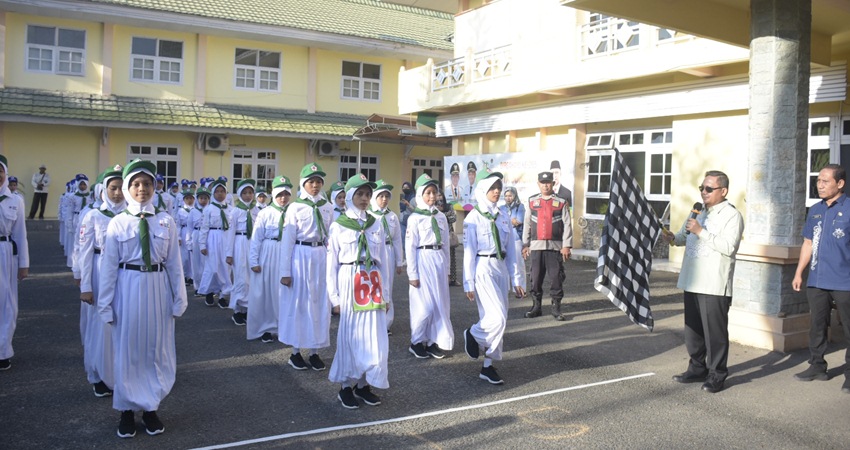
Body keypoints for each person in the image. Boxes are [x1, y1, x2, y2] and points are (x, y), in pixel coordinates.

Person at [97, 159, 187, 437]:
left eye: (147, 183)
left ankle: (150, 408)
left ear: (155, 187)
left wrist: (179, 297)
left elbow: (174, 263)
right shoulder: (118, 223)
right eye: (135, 184)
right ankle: (126, 410)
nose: (142, 189)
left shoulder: (165, 221)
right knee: (128, 350)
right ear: (126, 187)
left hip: (157, 287)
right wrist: (105, 304)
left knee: (154, 349)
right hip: (128, 287)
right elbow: (109, 268)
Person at [662, 170, 743, 394]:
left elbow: (729, 247)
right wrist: (672, 238)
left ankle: (717, 374)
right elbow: (683, 236)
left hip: (713, 284)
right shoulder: (697, 210)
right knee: (693, 331)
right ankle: (697, 368)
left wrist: (701, 231)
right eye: (702, 188)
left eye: (709, 188)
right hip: (692, 280)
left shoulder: (732, 215)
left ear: (723, 191)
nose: (703, 192)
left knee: (715, 334)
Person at [327, 174, 389, 409]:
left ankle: (363, 385)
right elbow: (330, 265)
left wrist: (386, 295)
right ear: (350, 196)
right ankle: (345, 386)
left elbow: (383, 261)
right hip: (349, 279)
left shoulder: (376, 223)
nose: (364, 198)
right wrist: (334, 298)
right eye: (360, 194)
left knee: (373, 335)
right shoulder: (339, 225)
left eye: (367, 194)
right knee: (350, 335)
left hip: (372, 281)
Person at [461, 168, 525, 385]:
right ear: (483, 189)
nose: (497, 191)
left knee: (500, 320)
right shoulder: (474, 217)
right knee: (496, 317)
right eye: (492, 188)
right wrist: (468, 283)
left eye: (499, 187)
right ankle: (473, 333)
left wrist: (517, 279)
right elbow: (469, 252)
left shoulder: (503, 215)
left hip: (501, 268)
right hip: (483, 267)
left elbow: (512, 251)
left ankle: (488, 366)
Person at [791, 164, 850, 394]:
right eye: (818, 181)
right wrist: (799, 272)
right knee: (817, 325)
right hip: (817, 279)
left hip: (844, 281)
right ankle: (817, 366)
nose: (820, 185)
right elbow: (808, 243)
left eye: (826, 181)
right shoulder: (815, 210)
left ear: (840, 183)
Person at [279, 163, 333, 371]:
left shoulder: (327, 207)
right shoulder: (295, 207)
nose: (315, 185)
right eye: (311, 181)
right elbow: (287, 241)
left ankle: (315, 351)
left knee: (319, 304)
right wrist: (285, 271)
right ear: (303, 184)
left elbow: (331, 237)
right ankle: (295, 352)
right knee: (300, 304)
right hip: (300, 256)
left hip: (321, 255)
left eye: (319, 181)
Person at [77, 165, 125, 397]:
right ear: (104, 190)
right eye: (112, 188)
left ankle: (119, 373)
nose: (117, 193)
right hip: (99, 270)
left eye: (121, 188)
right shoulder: (93, 216)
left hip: (123, 274)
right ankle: (97, 374)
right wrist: (86, 285)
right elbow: (85, 253)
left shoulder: (131, 216)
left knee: (121, 323)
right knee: (99, 326)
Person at [405, 173, 452, 359]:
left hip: (438, 259)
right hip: (422, 259)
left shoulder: (441, 217)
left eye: (434, 192)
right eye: (428, 193)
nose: (432, 196)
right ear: (420, 195)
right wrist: (412, 274)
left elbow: (446, 245)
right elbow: (410, 247)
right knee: (423, 306)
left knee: (440, 303)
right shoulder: (415, 218)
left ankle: (433, 341)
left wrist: (447, 270)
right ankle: (416, 341)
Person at [522, 171, 572, 321]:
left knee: (556, 278)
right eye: (543, 183)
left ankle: (556, 308)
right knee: (535, 278)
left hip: (555, 248)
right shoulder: (532, 201)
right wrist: (525, 244)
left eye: (548, 183)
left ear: (553, 183)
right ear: (538, 184)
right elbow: (527, 223)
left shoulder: (561, 202)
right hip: (536, 247)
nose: (545, 186)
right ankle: (536, 307)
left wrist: (566, 245)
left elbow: (567, 224)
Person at [247, 175, 292, 343]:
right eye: (280, 194)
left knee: (284, 291)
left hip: (287, 252)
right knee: (266, 291)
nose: (283, 198)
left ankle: (284, 327)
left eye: (286, 194)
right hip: (269, 252)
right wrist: (254, 261)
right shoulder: (265, 212)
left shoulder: (293, 212)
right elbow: (256, 237)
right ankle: (266, 327)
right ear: (273, 194)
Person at [0, 154, 30, 371]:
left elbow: (20, 234)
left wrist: (23, 264)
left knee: (7, 302)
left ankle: (3, 351)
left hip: (5, 252)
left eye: (0, 171)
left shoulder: (15, 200)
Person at [368, 180, 404, 334]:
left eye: (387, 196)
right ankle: (373, 321)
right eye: (381, 196)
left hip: (388, 251)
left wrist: (399, 261)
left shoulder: (392, 216)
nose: (384, 199)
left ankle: (387, 323)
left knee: (387, 285)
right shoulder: (369, 215)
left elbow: (397, 239)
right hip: (374, 252)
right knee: (373, 285)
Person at [226, 179, 258, 326]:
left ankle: (246, 310)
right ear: (239, 194)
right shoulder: (235, 211)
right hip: (239, 243)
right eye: (244, 193)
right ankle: (237, 310)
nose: (248, 195)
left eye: (250, 192)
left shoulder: (257, 210)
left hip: (253, 244)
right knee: (240, 278)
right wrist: (229, 254)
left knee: (251, 278)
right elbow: (230, 233)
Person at [198, 178, 233, 307]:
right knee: (212, 268)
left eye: (222, 191)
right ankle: (209, 292)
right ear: (213, 193)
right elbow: (204, 228)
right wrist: (202, 244)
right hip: (212, 238)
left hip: (226, 238)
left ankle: (223, 295)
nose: (220, 194)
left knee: (225, 268)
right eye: (217, 191)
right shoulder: (209, 209)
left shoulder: (231, 209)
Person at [504, 187, 527, 296]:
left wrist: (506, 221)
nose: (508, 198)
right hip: (505, 239)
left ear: (514, 196)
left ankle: (521, 289)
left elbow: (519, 221)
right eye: (506, 196)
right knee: (504, 265)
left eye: (510, 195)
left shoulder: (519, 207)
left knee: (518, 264)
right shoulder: (501, 208)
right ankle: (506, 289)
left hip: (516, 239)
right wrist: (511, 221)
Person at [188, 187, 210, 296]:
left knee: (206, 262)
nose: (203, 200)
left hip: (207, 235)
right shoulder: (193, 211)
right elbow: (189, 228)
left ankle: (206, 286)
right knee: (196, 263)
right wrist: (189, 243)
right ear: (197, 199)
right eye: (201, 198)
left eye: (205, 198)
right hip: (196, 234)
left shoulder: (210, 210)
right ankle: (197, 286)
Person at [435, 191, 459, 286]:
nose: (439, 197)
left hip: (449, 234)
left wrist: (442, 214)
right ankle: (441, 277)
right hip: (438, 235)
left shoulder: (449, 206)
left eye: (440, 195)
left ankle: (453, 279)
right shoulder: (433, 207)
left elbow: (454, 217)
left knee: (451, 257)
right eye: (437, 195)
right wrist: (441, 214)